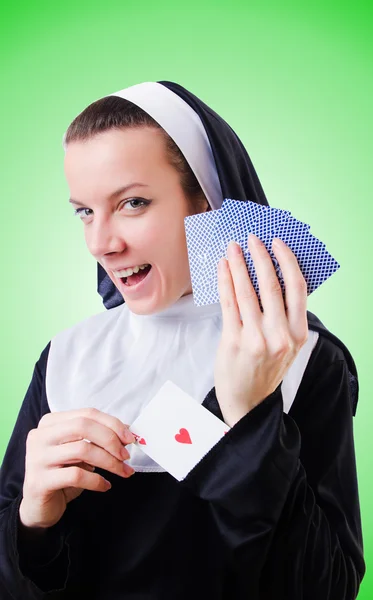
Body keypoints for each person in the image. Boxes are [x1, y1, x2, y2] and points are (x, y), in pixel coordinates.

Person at [0, 81, 365, 599]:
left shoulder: (304, 358)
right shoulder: (66, 359)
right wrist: (32, 524)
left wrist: (250, 416)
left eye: (132, 203)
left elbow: (329, 589)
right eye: (84, 210)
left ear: (209, 200)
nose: (101, 243)